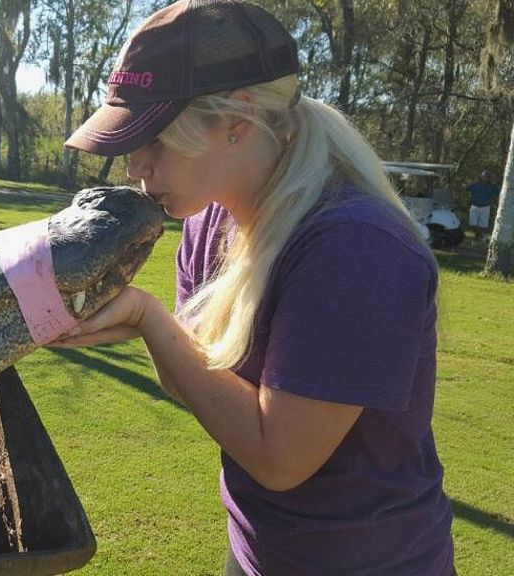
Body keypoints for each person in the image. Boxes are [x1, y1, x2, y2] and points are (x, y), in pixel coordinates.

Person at [54, 1, 455, 574]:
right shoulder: (208, 222)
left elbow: (280, 459)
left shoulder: (356, 248)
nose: (134, 168)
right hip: (258, 552)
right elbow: (195, 385)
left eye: (155, 141)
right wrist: (121, 325)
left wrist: (149, 320)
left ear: (237, 121)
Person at [466, 170, 500, 241]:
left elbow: (499, 193)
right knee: (472, 224)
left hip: (485, 207)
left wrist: (494, 182)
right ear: (481, 177)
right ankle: (480, 235)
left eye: (487, 177)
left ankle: (481, 238)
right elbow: (466, 188)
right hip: (475, 206)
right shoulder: (475, 184)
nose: (486, 178)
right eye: (484, 176)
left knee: (483, 225)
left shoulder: (492, 186)